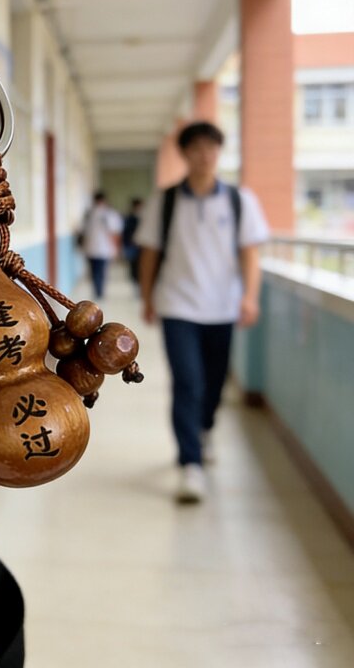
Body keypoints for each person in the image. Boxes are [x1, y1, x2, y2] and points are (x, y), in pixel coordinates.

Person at [135, 121, 269, 503]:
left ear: (218, 152)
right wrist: (148, 297)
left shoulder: (239, 201)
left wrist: (250, 297)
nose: (204, 155)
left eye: (211, 148)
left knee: (214, 382)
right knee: (187, 381)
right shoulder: (165, 201)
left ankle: (204, 428)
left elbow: (250, 254)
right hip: (177, 304)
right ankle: (189, 464)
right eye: (196, 148)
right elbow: (149, 254)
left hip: (223, 307)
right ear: (184, 153)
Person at [80, 191, 123, 300]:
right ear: (104, 200)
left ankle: (97, 291)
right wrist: (117, 248)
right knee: (102, 271)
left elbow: (83, 232)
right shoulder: (109, 214)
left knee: (94, 271)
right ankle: (100, 291)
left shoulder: (89, 214)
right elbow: (115, 233)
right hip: (104, 249)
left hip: (91, 248)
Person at [122, 198, 144, 285]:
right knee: (133, 266)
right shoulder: (129, 218)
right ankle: (136, 281)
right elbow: (125, 233)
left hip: (141, 247)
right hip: (132, 246)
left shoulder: (145, 217)